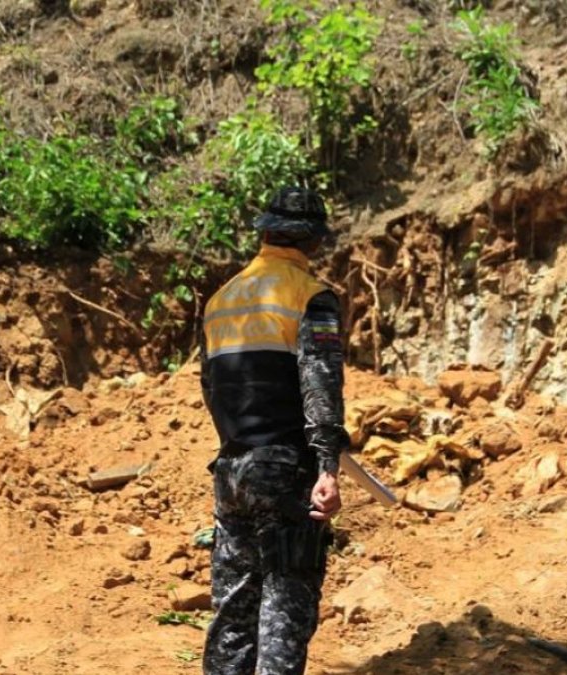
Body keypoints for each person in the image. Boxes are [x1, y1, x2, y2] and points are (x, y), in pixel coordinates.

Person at [200, 186, 349, 675]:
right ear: (313, 242)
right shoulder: (311, 297)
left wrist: (236, 449)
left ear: (265, 232)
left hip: (231, 469)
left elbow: (210, 385)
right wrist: (327, 467)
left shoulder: (221, 299)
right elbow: (320, 386)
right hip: (286, 471)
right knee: (285, 607)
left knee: (234, 611)